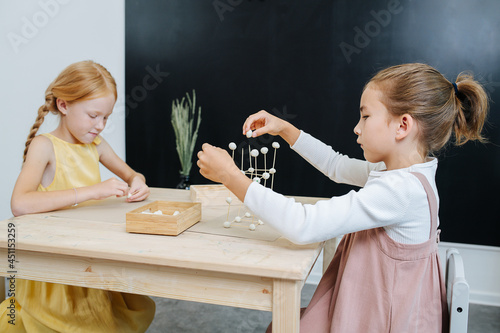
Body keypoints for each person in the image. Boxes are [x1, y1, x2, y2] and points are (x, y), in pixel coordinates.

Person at [197, 63, 489, 332]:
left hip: (382, 319)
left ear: (402, 126)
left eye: (365, 116)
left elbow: (303, 225)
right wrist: (286, 130)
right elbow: (336, 166)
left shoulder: (400, 191)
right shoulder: (406, 175)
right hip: (376, 305)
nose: (357, 127)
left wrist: (231, 177)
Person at [1, 60, 155, 332]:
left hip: (87, 259)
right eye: (93, 115)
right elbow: (20, 203)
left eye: (106, 117)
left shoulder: (95, 144)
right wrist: (93, 191)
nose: (100, 126)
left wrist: (138, 181)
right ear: (64, 105)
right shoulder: (44, 146)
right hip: (54, 267)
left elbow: (132, 175)